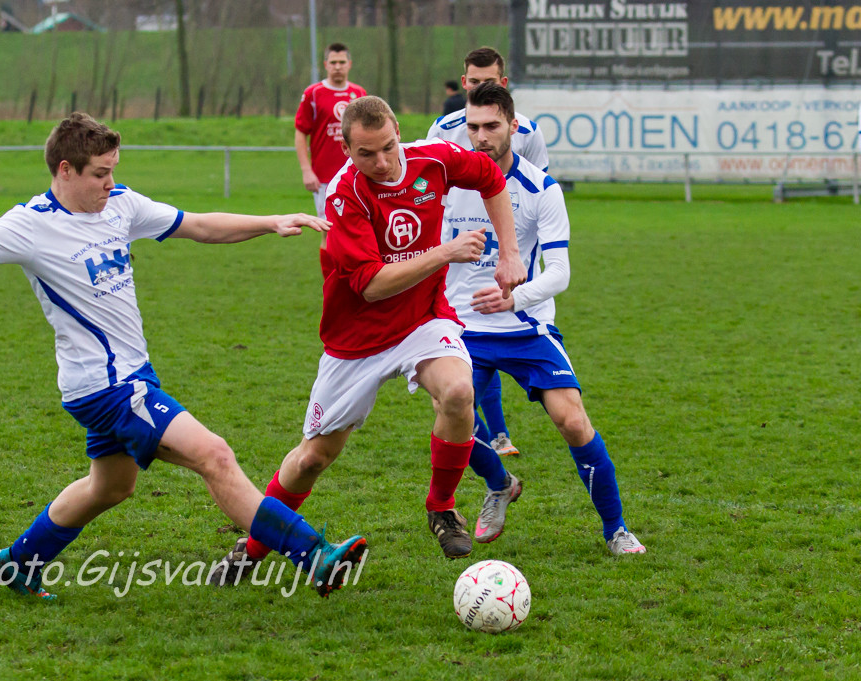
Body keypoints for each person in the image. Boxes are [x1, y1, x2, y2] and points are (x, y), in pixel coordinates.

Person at [0, 113, 369, 600]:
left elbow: (199, 225)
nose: (110, 182)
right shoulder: (31, 225)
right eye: (100, 173)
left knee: (110, 488)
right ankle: (314, 555)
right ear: (65, 170)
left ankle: (18, 562)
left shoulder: (120, 204)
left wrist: (270, 222)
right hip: (107, 388)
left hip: (130, 375)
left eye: (113, 170)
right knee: (215, 455)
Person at [209, 96, 524, 585]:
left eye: (388, 147)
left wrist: (510, 253)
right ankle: (251, 548)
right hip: (357, 340)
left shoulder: (434, 159)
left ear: (398, 130)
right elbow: (373, 285)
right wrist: (444, 253)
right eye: (366, 154)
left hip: (423, 320)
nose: (381, 162)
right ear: (347, 150)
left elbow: (490, 178)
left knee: (459, 392)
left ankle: (441, 507)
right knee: (312, 458)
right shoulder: (344, 196)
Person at [442, 83, 646, 555]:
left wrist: (515, 299)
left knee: (573, 422)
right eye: (473, 127)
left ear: (513, 126)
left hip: (525, 327)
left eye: (492, 126)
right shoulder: (448, 182)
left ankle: (616, 530)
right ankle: (499, 483)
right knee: (452, 419)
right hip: (460, 329)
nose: (481, 137)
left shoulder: (541, 187)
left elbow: (559, 272)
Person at [427, 45, 551, 460]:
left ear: (504, 84)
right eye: (475, 82)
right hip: (461, 241)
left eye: (490, 82)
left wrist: (520, 252)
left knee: (491, 329)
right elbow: (430, 188)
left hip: (507, 243)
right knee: (471, 342)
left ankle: (494, 436)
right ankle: (494, 435)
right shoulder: (443, 129)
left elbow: (536, 191)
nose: (481, 87)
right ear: (464, 82)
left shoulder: (528, 132)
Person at [295, 42, 367, 224]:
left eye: (342, 62)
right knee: (329, 227)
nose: (338, 67)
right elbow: (300, 133)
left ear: (349, 64)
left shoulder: (359, 93)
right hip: (324, 177)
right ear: (325, 64)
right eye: (333, 62)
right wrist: (306, 171)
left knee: (358, 224)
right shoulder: (313, 93)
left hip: (356, 172)